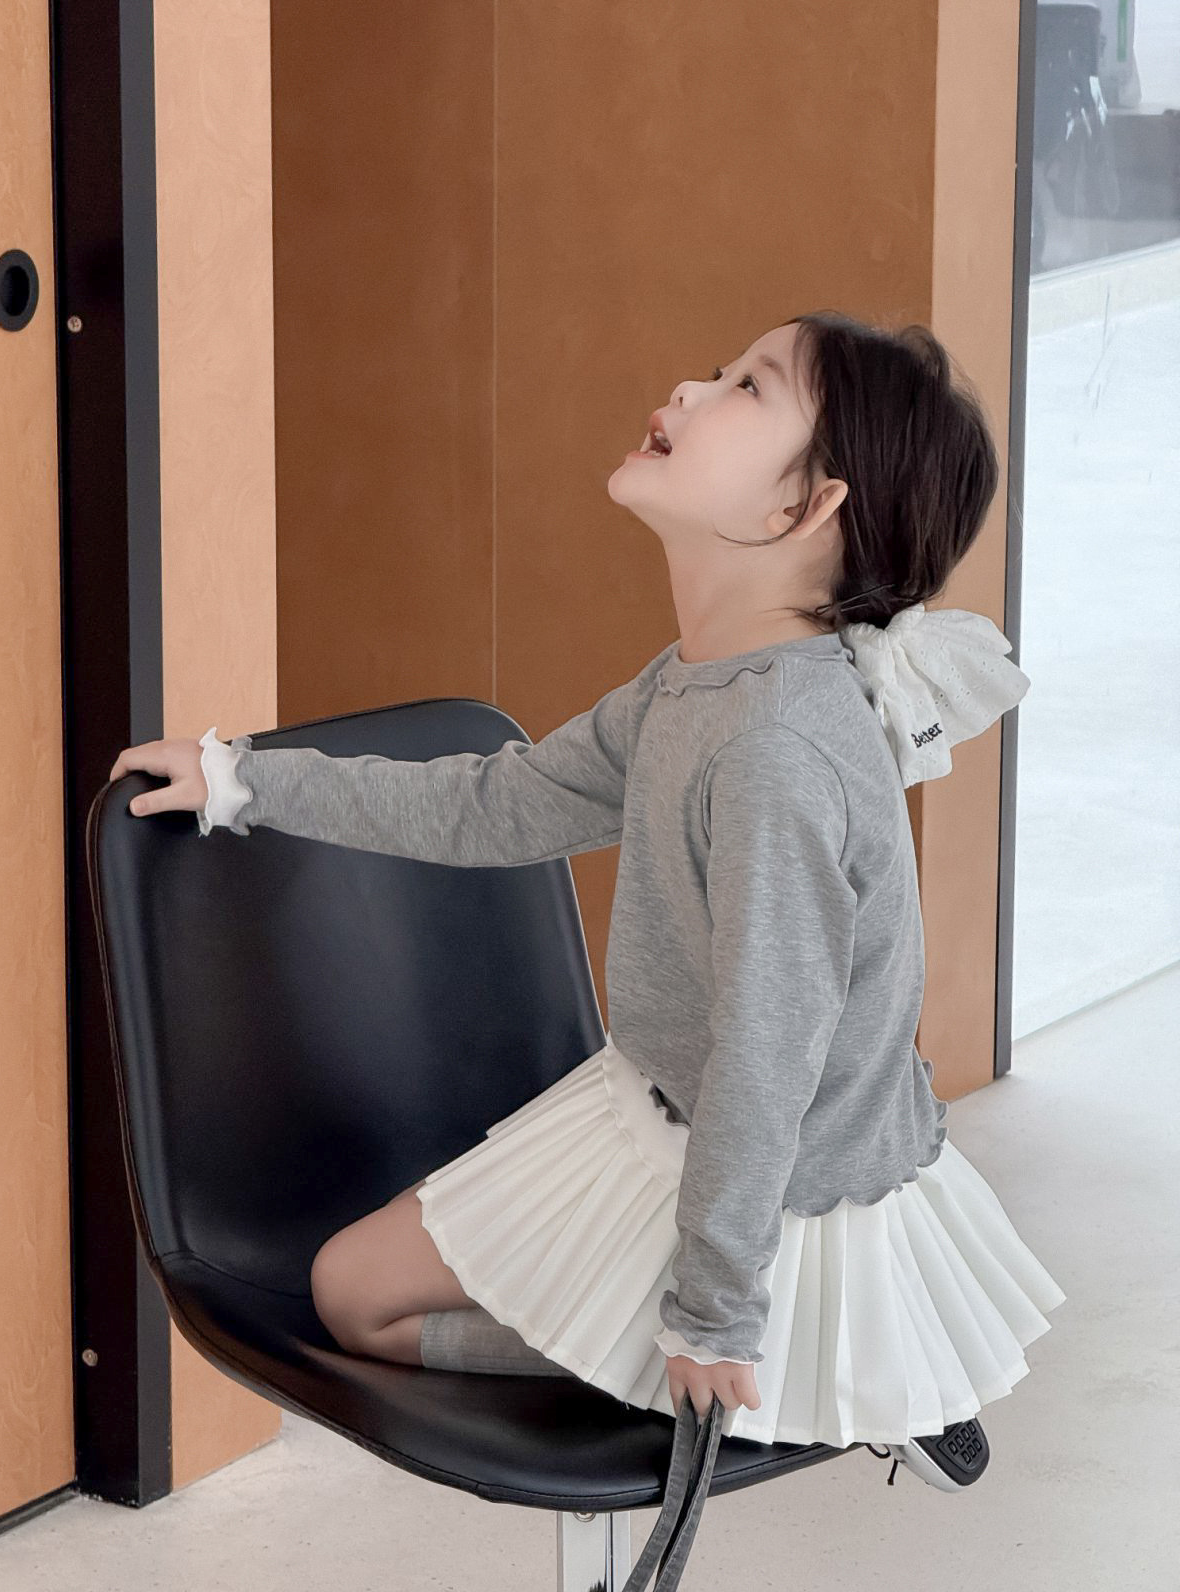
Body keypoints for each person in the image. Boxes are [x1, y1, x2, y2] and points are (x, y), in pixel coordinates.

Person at [108, 310, 1066, 1481]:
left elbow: (767, 1067)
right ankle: (795, 1370)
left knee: (363, 1297)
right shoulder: (698, 683)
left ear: (801, 508)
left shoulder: (776, 751)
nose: (690, 388)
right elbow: (499, 804)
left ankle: (810, 1362)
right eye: (718, 369)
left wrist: (714, 1310)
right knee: (350, 1293)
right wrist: (244, 780)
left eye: (747, 388)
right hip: (658, 1111)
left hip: (760, 1184)